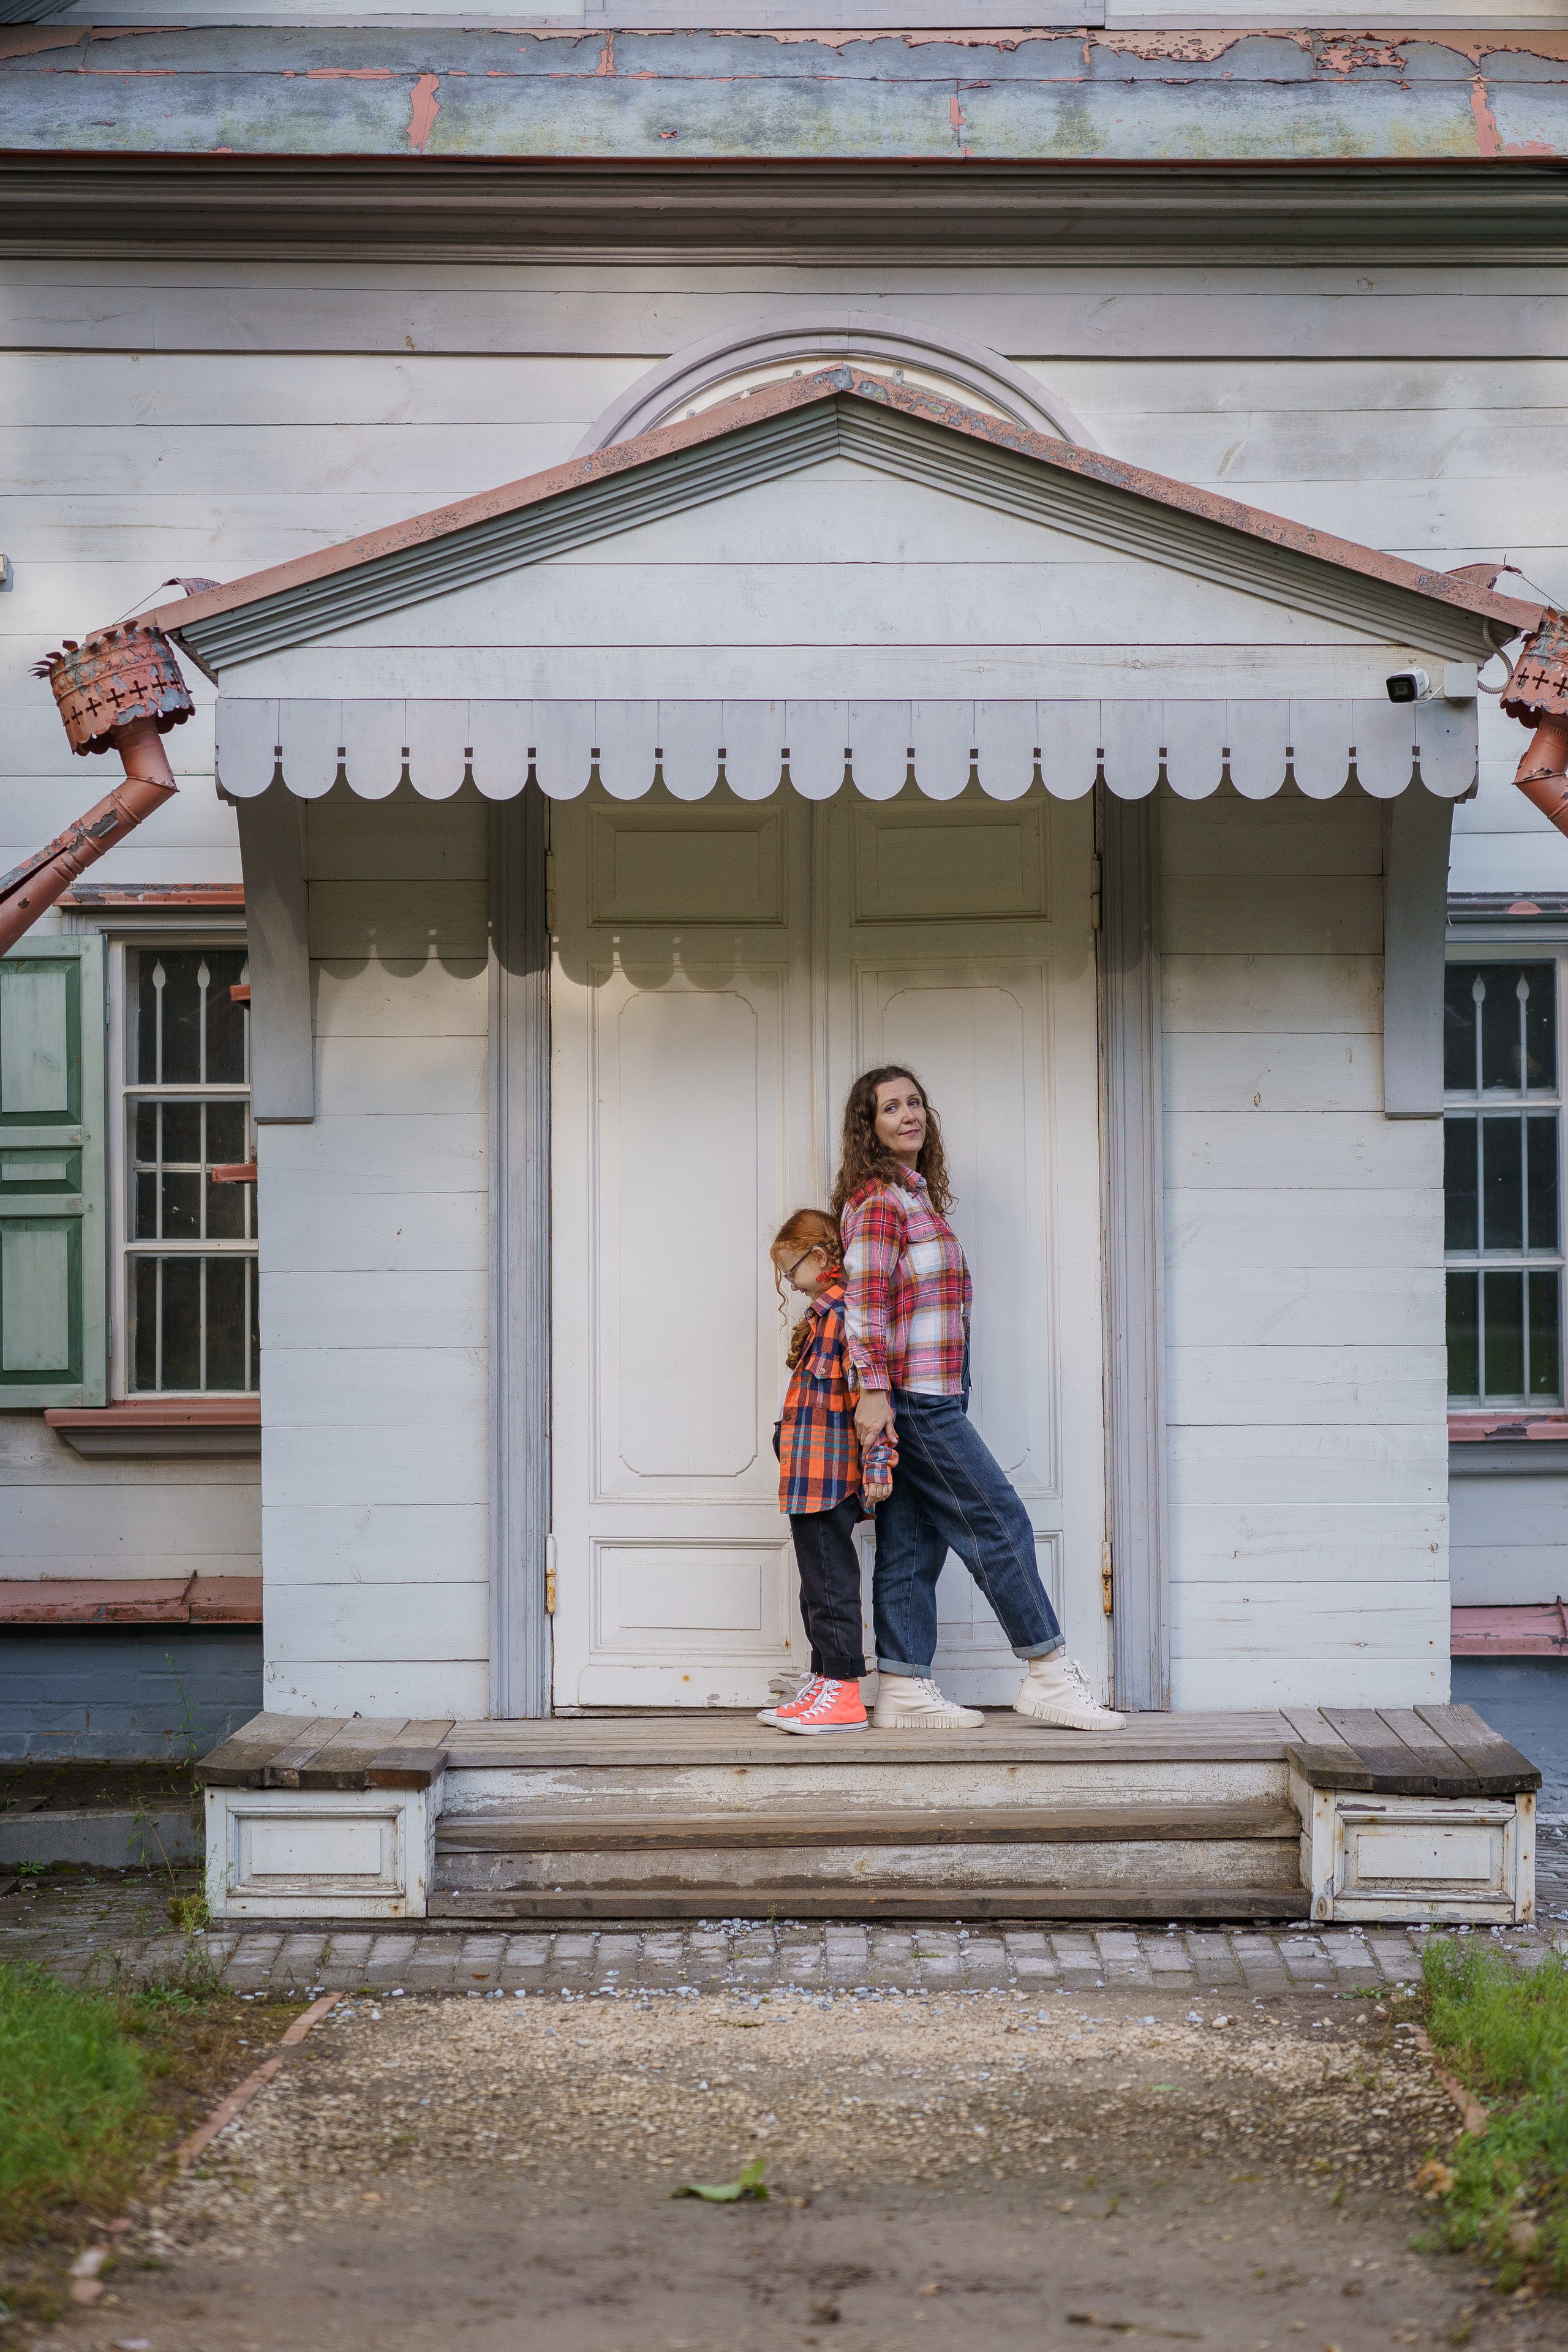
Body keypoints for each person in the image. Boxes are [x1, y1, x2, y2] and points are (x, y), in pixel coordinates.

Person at [834, 1066, 1126, 1733]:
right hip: (913, 1397)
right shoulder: (880, 1201)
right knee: (997, 1521)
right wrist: (873, 1393)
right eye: (890, 1108)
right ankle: (1048, 1672)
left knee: (912, 1542)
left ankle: (903, 1687)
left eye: (915, 1103)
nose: (908, 1114)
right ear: (868, 1127)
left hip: (933, 1391)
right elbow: (864, 1305)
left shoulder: (916, 1200)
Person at [761, 1208, 876, 1735]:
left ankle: (846, 1693)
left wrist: (879, 1465)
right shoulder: (819, 1319)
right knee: (815, 1589)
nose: (788, 1281)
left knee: (832, 1587)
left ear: (823, 1257)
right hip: (807, 1477)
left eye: (792, 1270)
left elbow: (873, 1400)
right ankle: (826, 1677)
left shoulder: (847, 1316)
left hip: (830, 1479)